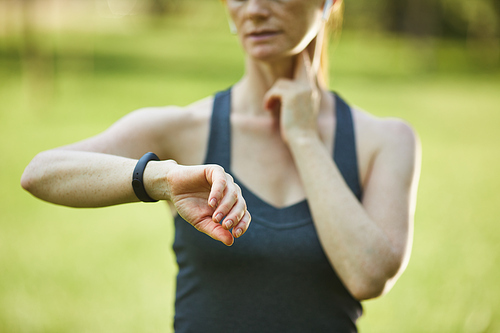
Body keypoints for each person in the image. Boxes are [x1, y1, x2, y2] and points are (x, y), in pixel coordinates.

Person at [21, 0, 421, 332]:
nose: (255, 9)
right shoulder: (184, 129)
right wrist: (161, 178)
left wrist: (303, 138)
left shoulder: (386, 141)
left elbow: (369, 275)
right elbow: (41, 173)